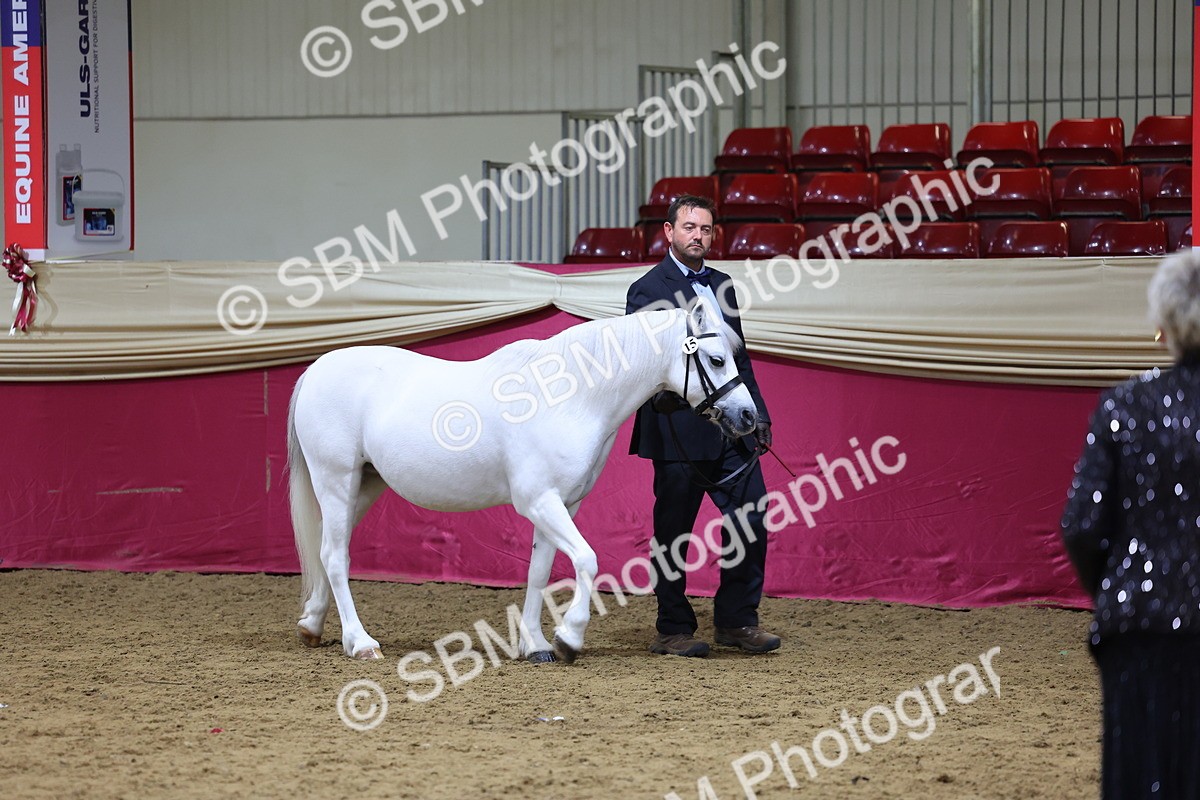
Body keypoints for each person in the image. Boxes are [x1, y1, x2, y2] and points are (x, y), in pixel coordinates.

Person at [1060, 249, 1200, 799]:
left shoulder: (1125, 403)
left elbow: (1081, 525)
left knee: (1140, 769)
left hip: (1138, 625)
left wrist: (1122, 586)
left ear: (1162, 326)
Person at [625, 194, 779, 657]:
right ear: (669, 232)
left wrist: (759, 414)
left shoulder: (723, 283)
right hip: (677, 432)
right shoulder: (647, 290)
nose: (698, 236)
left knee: (752, 518)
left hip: (731, 429)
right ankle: (672, 629)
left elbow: (737, 359)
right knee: (674, 536)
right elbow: (644, 364)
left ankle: (736, 622)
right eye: (690, 227)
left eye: (706, 229)